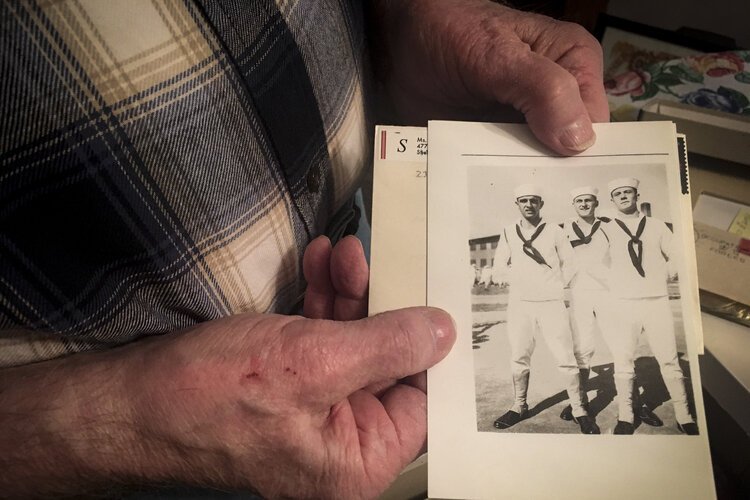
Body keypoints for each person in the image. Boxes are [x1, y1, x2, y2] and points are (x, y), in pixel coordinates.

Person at [0, 0, 608, 497]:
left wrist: (394, 29)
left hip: (353, 280)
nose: (531, 208)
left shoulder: (559, 231)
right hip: (93, 465)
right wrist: (116, 423)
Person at [493, 184, 599, 435]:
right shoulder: (508, 232)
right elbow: (498, 267)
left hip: (551, 304)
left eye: (533, 200)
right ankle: (519, 406)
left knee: (566, 358)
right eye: (523, 200)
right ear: (517, 204)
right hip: (520, 304)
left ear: (541, 204)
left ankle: (579, 409)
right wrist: (521, 279)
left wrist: (554, 285)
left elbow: (571, 265)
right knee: (519, 356)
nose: (528, 204)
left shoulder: (554, 231)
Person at [600, 178, 698, 435]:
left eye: (627, 192)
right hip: (622, 304)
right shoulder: (606, 229)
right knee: (622, 360)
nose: (623, 196)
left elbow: (677, 255)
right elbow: (595, 264)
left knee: (669, 358)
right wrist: (613, 283)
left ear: (636, 195)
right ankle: (626, 415)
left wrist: (664, 274)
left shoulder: (657, 227)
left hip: (656, 301)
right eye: (618, 194)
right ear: (612, 200)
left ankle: (684, 414)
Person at [560, 186, 663, 429]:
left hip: (609, 295)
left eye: (589, 200)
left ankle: (633, 406)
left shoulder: (610, 226)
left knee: (621, 348)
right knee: (582, 349)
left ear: (596, 203)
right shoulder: (563, 230)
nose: (584, 204)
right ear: (574, 205)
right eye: (579, 201)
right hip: (579, 295)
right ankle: (580, 403)